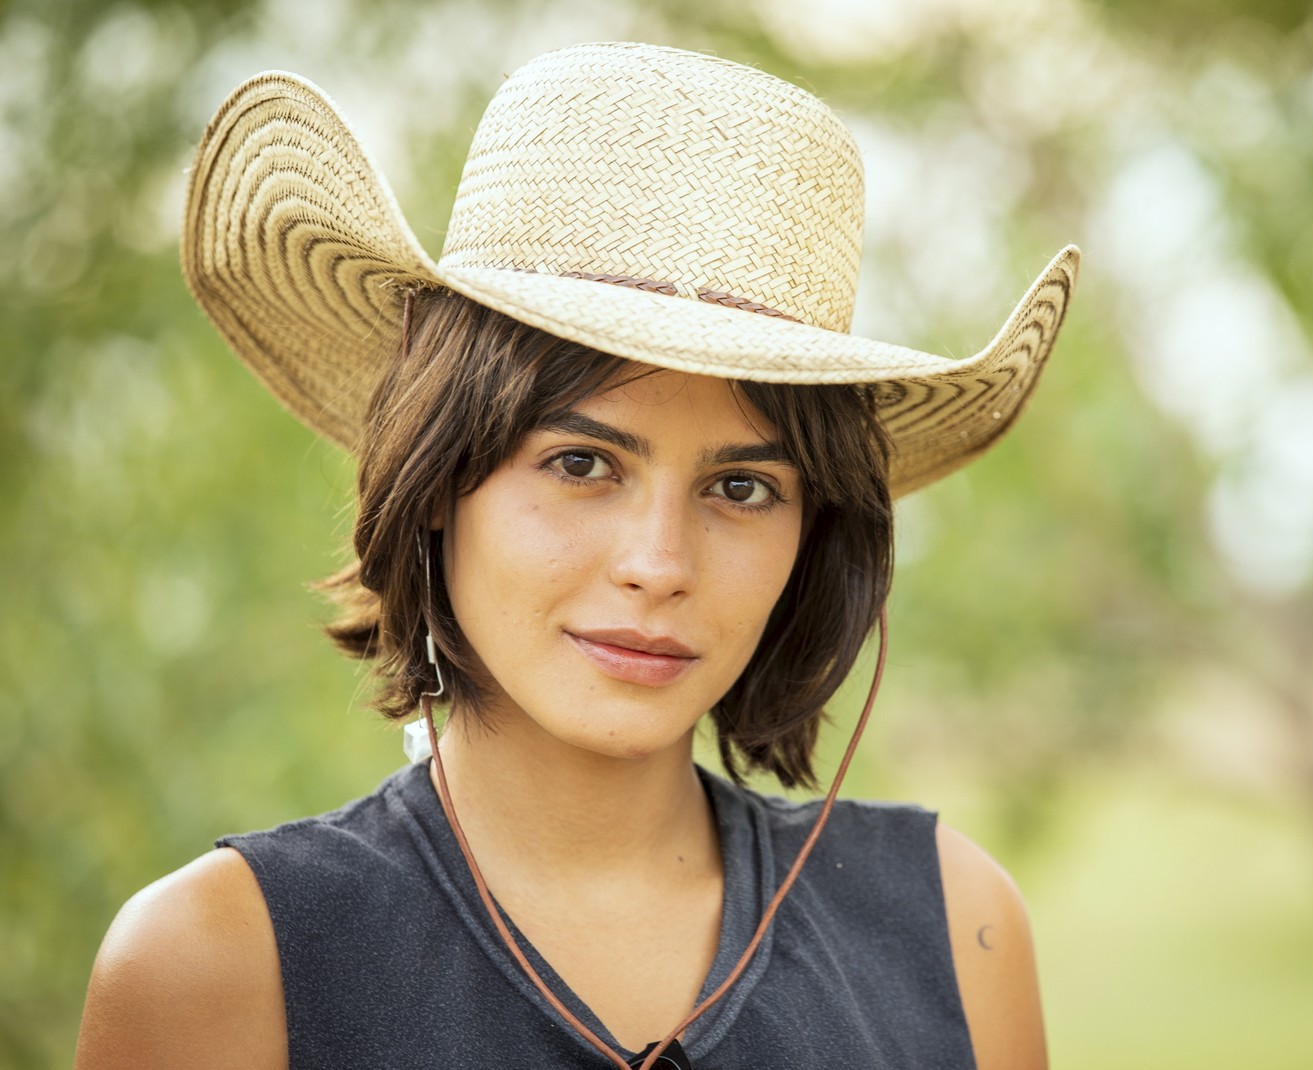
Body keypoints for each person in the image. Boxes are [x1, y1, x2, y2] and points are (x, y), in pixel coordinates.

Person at [74, 41, 1078, 1070]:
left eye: (741, 487)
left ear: (813, 534)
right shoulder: (223, 963)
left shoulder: (954, 929)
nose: (658, 563)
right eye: (583, 462)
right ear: (436, 483)